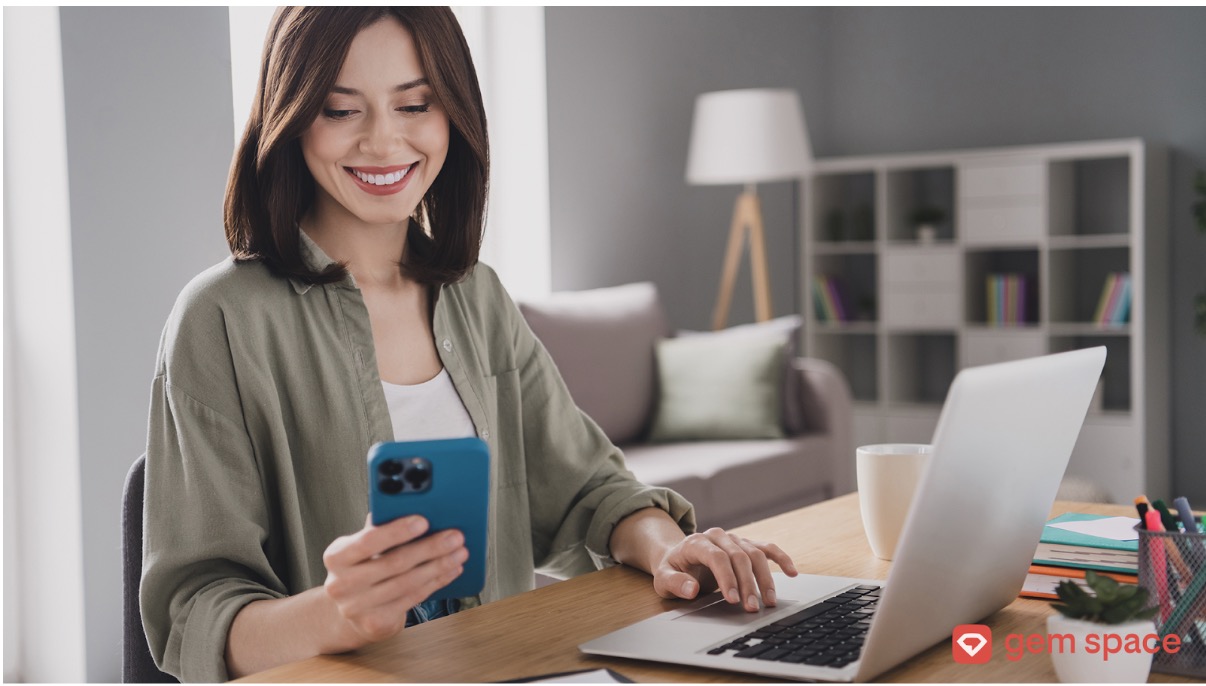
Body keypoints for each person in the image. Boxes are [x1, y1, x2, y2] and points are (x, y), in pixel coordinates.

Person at [141, 7, 798, 682]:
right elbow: (193, 610)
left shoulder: (476, 295)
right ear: (291, 118)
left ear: (453, 113)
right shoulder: (220, 319)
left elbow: (587, 487)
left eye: (414, 104)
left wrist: (667, 548)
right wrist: (335, 615)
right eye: (340, 110)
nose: (383, 141)